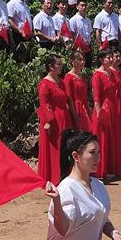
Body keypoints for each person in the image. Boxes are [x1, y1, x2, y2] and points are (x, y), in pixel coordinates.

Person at [37, 54, 75, 185]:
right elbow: (44, 103)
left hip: (64, 117)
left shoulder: (60, 81)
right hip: (53, 120)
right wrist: (49, 121)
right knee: (55, 148)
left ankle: (65, 173)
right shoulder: (44, 83)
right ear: (50, 67)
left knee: (65, 147)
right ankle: (54, 176)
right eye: (58, 64)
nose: (61, 66)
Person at [90, 50, 119, 179]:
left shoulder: (111, 73)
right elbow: (96, 97)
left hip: (112, 108)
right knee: (102, 139)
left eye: (111, 57)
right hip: (103, 109)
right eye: (108, 57)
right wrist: (98, 113)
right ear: (101, 60)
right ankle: (101, 169)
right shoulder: (97, 75)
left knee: (111, 137)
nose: (111, 59)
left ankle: (110, 168)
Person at [63, 50, 92, 133]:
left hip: (85, 107)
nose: (82, 62)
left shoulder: (83, 76)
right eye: (79, 59)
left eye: (83, 59)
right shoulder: (68, 77)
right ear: (72, 61)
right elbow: (69, 98)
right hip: (76, 108)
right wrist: (75, 115)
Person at [69, 0, 93, 67]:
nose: (84, 7)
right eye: (82, 5)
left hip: (87, 48)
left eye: (85, 6)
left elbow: (89, 34)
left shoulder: (88, 20)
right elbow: (72, 35)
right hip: (78, 48)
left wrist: (90, 46)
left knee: (88, 68)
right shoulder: (73, 20)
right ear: (77, 7)